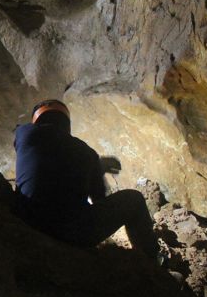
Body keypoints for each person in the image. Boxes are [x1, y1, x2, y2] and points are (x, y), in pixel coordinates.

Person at [14, 99, 159, 260]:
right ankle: (152, 261)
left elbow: (48, 155)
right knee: (134, 199)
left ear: (36, 121)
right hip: (74, 234)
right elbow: (99, 201)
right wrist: (95, 168)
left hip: (28, 222)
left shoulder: (24, 133)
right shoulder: (87, 153)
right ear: (67, 124)